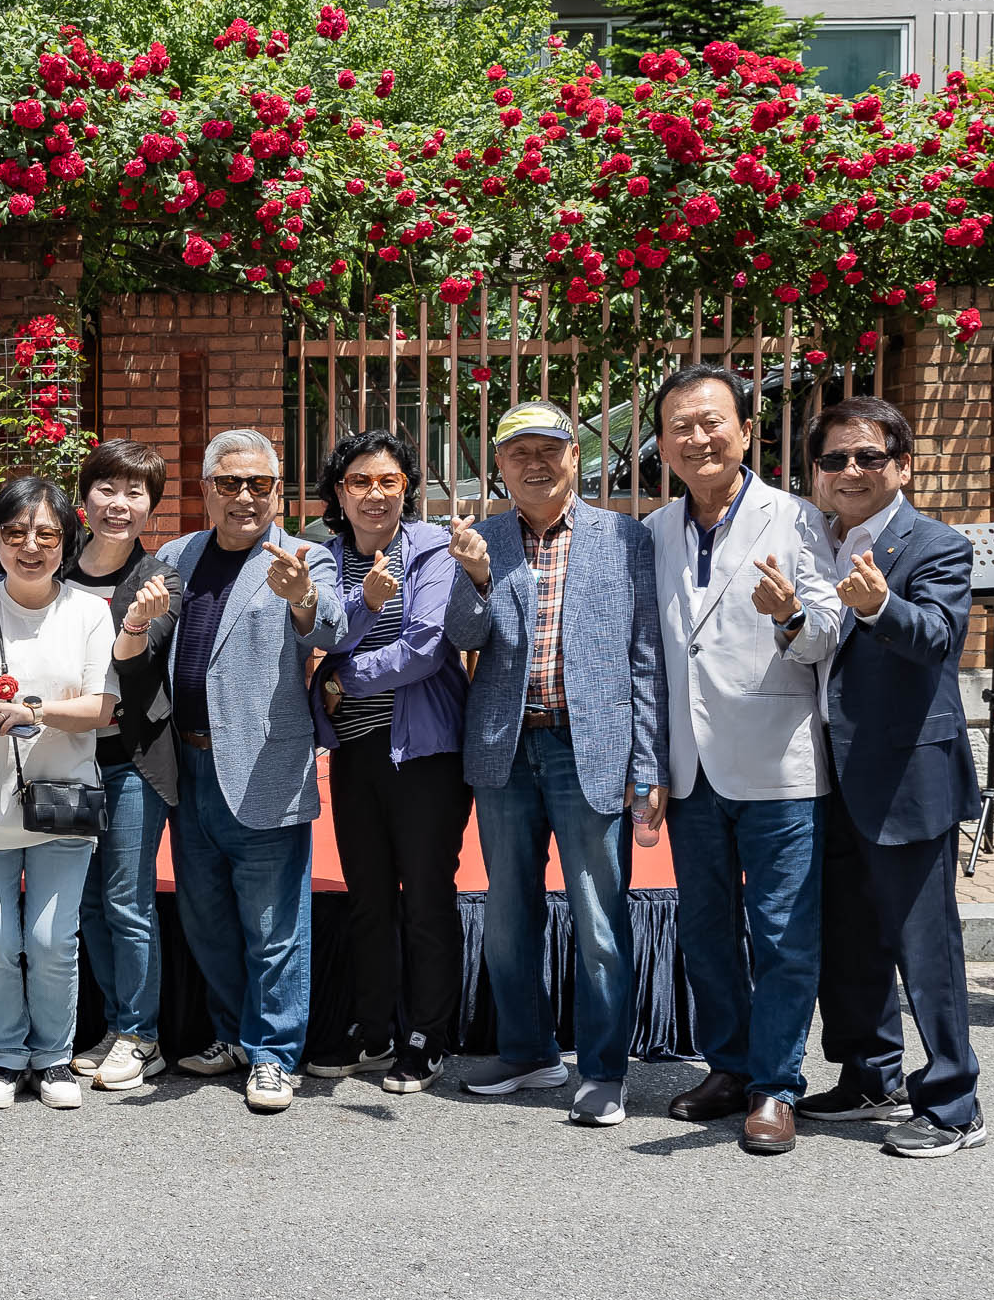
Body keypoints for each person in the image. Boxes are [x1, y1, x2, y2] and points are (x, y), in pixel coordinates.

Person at [445, 401, 667, 1129]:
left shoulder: (623, 536)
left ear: (576, 456)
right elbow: (463, 635)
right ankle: (526, 1048)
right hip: (506, 745)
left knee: (600, 916)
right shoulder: (485, 538)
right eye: (517, 453)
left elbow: (645, 656)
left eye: (549, 449)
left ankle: (603, 1069)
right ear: (499, 464)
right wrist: (474, 578)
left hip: (589, 747)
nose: (533, 463)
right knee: (508, 914)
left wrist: (648, 759)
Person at [641, 366, 842, 1156]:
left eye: (711, 422)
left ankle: (775, 1085)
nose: (697, 437)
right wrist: (650, 759)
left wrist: (791, 614)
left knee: (785, 932)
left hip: (778, 762)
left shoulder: (793, 518)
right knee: (705, 930)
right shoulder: (654, 529)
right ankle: (727, 1065)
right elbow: (653, 655)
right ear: (661, 444)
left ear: (747, 430)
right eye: (680, 426)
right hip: (690, 767)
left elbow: (829, 628)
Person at [806, 396, 988, 1158]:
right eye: (835, 459)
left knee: (925, 943)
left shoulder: (934, 544)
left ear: (901, 465)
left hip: (909, 773)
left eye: (868, 456)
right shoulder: (814, 540)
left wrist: (883, 606)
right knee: (847, 937)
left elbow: (940, 637)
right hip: (828, 772)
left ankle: (953, 1100)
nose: (851, 470)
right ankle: (869, 1074)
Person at [160, 428, 343, 1114]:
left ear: (277, 489)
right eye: (229, 483)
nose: (244, 496)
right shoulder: (176, 555)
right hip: (189, 765)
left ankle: (274, 1055)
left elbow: (331, 624)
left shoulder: (306, 555)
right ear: (206, 489)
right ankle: (236, 1034)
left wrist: (299, 596)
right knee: (207, 917)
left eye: (259, 484)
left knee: (275, 925)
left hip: (264, 765)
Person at [0, 476, 121, 1111]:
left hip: (63, 800)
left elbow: (103, 708)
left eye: (46, 534)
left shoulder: (88, 611)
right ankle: (3, 1054)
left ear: (66, 542)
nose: (30, 546)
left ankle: (52, 1059)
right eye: (15, 533)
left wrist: (34, 712)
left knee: (51, 942)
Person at [306, 429, 471, 1094]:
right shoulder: (324, 557)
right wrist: (364, 605)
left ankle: (427, 1032)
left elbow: (427, 646)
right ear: (338, 494)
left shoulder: (429, 548)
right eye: (360, 482)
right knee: (368, 895)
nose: (374, 494)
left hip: (424, 749)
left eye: (389, 481)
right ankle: (374, 1027)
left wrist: (348, 677)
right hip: (356, 750)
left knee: (427, 894)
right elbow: (321, 631)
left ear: (408, 488)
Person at [61, 440, 181, 1092]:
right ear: (86, 498)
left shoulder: (159, 578)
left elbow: (135, 670)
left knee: (126, 898)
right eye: (109, 487)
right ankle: (116, 1024)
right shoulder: (53, 565)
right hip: (65, 760)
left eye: (136, 492)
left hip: (130, 762)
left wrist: (134, 624)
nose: (119, 503)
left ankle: (142, 1036)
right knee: (85, 898)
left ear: (148, 509)